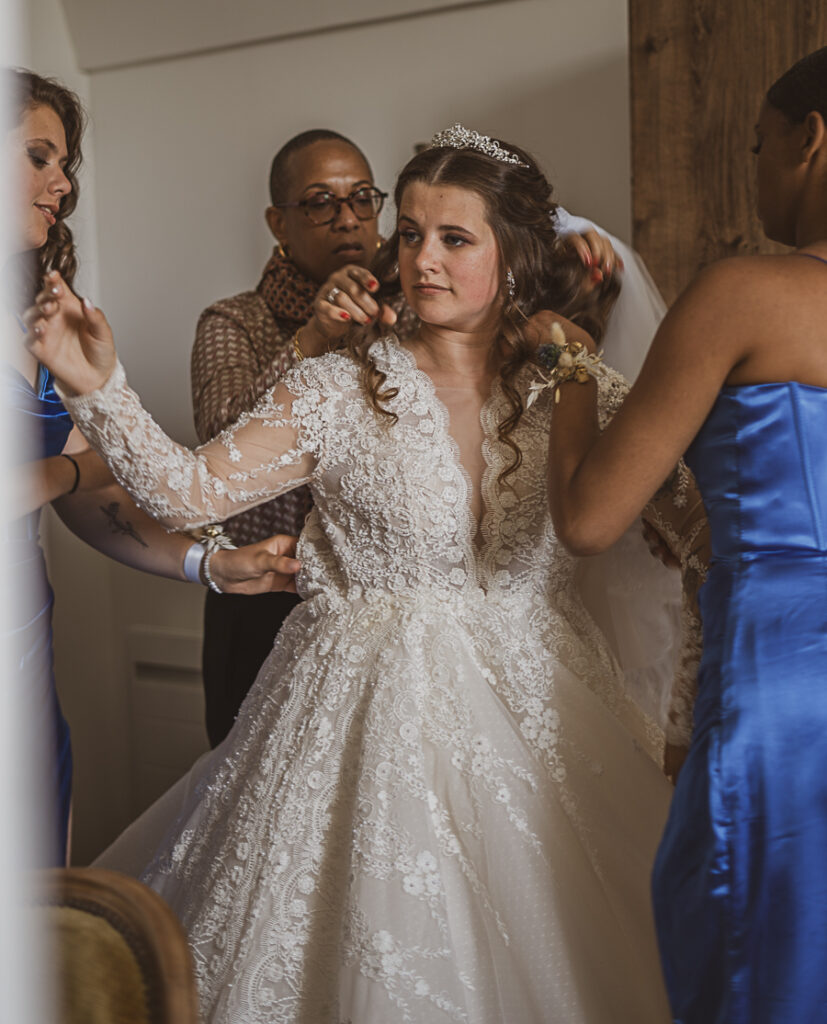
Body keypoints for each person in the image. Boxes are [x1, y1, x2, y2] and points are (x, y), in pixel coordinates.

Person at [27, 126, 688, 1023]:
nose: (423, 261)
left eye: (455, 239)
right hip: (356, 713)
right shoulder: (340, 388)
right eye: (410, 234)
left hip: (547, 708)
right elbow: (189, 492)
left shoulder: (572, 386)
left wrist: (705, 684)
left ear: (514, 253)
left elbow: (694, 528)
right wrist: (95, 384)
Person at [192, 127, 658, 747]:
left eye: (363, 199)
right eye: (320, 203)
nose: (348, 219)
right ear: (279, 222)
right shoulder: (238, 322)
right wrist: (311, 339)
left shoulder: (421, 306)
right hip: (280, 607)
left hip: (496, 652)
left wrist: (578, 285)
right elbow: (228, 450)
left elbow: (495, 313)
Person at [542, 47, 827, 1022]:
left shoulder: (745, 293)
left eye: (757, 144)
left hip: (781, 683)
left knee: (757, 965)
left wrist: (568, 360)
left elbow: (586, 517)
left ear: (809, 139)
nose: (755, 167)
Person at [3, 69, 302, 866]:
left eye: (64, 163)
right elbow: (75, 472)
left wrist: (212, 562)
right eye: (39, 156)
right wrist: (62, 474)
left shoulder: (35, 318)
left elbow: (94, 486)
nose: (62, 185)